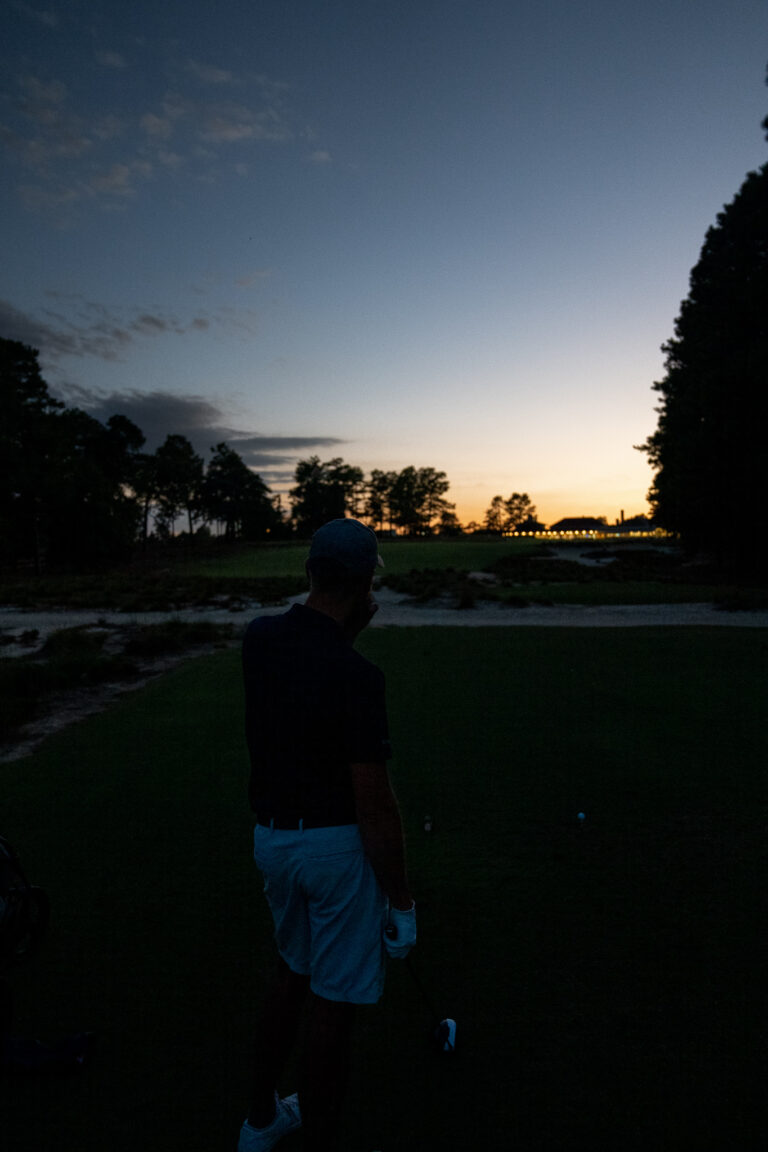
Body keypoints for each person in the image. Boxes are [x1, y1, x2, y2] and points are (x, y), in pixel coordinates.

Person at [239, 518, 416, 1152]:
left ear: (311, 571)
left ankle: (259, 1122)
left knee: (292, 971)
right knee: (334, 1004)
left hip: (274, 842)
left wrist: (345, 633)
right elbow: (374, 803)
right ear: (366, 579)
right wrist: (401, 900)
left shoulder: (259, 639)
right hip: (336, 850)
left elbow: (303, 660)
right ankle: (320, 1137)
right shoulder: (358, 676)